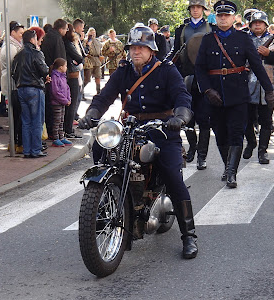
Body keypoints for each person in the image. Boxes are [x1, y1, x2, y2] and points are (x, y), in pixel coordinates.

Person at [79, 25, 198, 259]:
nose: (136, 52)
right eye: (133, 47)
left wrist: (180, 117)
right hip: (130, 126)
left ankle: (189, 235)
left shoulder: (166, 70)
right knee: (101, 149)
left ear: (151, 50)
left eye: (141, 47)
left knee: (173, 175)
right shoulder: (124, 70)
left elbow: (182, 95)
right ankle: (104, 206)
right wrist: (92, 113)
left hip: (162, 129)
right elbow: (106, 95)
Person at [195, 1, 274, 188]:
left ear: (233, 18)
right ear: (215, 17)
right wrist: (207, 90)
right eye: (220, 15)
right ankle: (226, 166)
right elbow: (200, 68)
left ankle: (232, 173)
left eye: (227, 15)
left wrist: (269, 90)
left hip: (238, 94)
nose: (223, 18)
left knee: (237, 134)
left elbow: (256, 65)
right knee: (221, 135)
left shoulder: (243, 38)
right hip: (214, 95)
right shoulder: (208, 39)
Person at [166, 0, 215, 170]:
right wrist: (165, 63)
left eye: (198, 7)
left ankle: (202, 155)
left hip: (206, 80)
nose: (195, 10)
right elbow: (175, 51)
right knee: (187, 119)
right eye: (193, 8)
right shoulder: (181, 29)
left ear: (203, 9)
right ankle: (192, 146)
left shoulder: (211, 29)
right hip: (185, 79)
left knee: (204, 120)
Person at [243, 11, 274, 164]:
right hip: (247, 85)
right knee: (246, 119)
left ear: (265, 24)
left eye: (260, 22)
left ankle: (263, 151)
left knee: (266, 121)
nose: (257, 25)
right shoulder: (244, 39)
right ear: (250, 24)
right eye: (254, 22)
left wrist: (269, 53)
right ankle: (251, 142)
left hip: (268, 86)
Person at [12, 30, 50, 158]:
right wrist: (45, 75)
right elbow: (43, 69)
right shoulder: (36, 53)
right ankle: (36, 149)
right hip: (34, 88)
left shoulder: (18, 54)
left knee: (26, 121)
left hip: (21, 88)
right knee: (37, 120)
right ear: (32, 40)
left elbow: (13, 72)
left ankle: (27, 150)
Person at [41, 19, 68, 139]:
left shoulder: (48, 36)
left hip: (48, 72)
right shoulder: (57, 39)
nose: (66, 31)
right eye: (66, 29)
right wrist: (61, 70)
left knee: (50, 107)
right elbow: (59, 57)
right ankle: (55, 134)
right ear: (61, 28)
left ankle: (53, 131)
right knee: (56, 113)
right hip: (54, 74)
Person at [0, 21, 24, 154]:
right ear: (12, 32)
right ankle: (15, 143)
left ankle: (15, 143)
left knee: (16, 116)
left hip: (12, 84)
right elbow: (14, 67)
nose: (21, 35)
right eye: (19, 33)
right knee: (16, 116)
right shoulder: (11, 47)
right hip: (13, 85)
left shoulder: (13, 46)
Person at [63, 23, 83, 139]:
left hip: (68, 73)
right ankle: (68, 130)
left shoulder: (62, 42)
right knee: (72, 102)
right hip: (72, 74)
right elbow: (79, 58)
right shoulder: (69, 44)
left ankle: (67, 128)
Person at [49, 58, 72, 147]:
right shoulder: (55, 77)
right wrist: (65, 100)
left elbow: (67, 88)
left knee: (61, 120)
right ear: (61, 67)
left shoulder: (63, 76)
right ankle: (56, 138)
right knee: (57, 121)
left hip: (63, 102)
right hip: (57, 103)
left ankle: (61, 137)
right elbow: (55, 91)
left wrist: (68, 98)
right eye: (65, 66)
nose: (66, 68)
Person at [83, 27, 102, 95]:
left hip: (97, 60)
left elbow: (100, 50)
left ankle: (98, 91)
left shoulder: (97, 41)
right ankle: (81, 92)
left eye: (94, 33)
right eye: (91, 33)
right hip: (89, 60)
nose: (93, 34)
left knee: (98, 76)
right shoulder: (86, 41)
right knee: (87, 78)